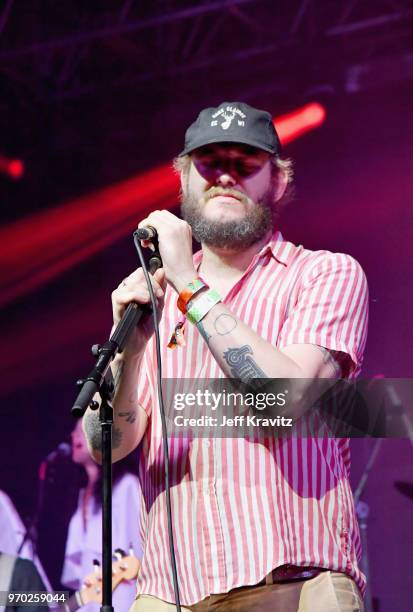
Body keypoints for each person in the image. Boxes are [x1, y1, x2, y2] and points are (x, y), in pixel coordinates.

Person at [83, 101, 369, 611]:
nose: (225, 177)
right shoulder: (155, 296)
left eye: (245, 163)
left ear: (278, 182)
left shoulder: (324, 275)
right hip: (169, 594)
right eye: (209, 163)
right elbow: (109, 444)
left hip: (295, 584)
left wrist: (190, 286)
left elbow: (284, 399)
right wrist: (129, 347)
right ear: (184, 179)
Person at [61, 419, 143, 610]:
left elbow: (139, 549)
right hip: (89, 596)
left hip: (122, 594)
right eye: (73, 431)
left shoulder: (126, 486)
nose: (74, 436)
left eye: (81, 430)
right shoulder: (82, 495)